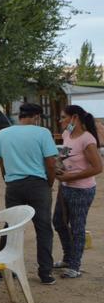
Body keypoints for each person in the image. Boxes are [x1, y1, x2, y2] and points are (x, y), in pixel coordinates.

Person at [0, 103, 58, 285]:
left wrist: (8, 179)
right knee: (43, 228)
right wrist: (49, 183)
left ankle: (3, 269)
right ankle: (45, 273)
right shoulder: (42, 133)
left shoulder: (3, 133)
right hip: (38, 184)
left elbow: (1, 162)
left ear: (20, 115)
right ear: (36, 116)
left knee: (11, 226)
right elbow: (51, 163)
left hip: (13, 184)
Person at [53, 105, 102, 279]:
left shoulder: (87, 139)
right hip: (65, 187)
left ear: (74, 118)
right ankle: (68, 258)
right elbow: (64, 154)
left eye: (63, 117)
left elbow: (98, 167)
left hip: (82, 190)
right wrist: (58, 166)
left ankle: (75, 266)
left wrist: (71, 176)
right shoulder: (68, 134)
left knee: (77, 227)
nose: (60, 121)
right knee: (58, 222)